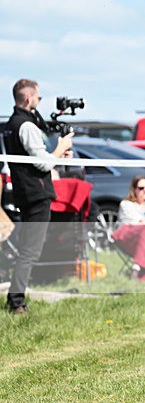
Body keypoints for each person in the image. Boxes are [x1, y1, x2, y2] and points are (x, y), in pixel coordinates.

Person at [2, 79, 73, 314]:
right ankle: (17, 303)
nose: (40, 102)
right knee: (30, 250)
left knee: (27, 248)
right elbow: (43, 164)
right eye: (39, 97)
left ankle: (14, 298)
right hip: (36, 194)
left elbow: (34, 160)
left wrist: (57, 155)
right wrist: (61, 148)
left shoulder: (12, 124)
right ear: (29, 98)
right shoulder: (26, 125)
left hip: (25, 192)